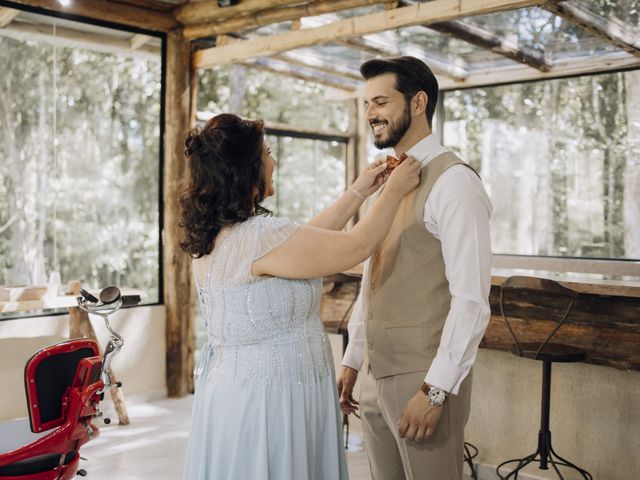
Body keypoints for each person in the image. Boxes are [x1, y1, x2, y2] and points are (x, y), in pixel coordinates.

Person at [179, 113, 421, 479]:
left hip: (239, 392)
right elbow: (358, 245)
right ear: (247, 170)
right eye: (267, 153)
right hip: (271, 401)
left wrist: (360, 190)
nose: (273, 162)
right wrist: (394, 190)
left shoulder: (223, 236)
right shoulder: (259, 237)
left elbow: (306, 240)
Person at [337, 56, 493, 480]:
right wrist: (353, 358)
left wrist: (436, 389)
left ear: (419, 101)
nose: (370, 114)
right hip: (373, 374)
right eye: (367, 103)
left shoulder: (455, 182)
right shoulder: (384, 181)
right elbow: (375, 275)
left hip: (424, 378)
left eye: (381, 101)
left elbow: (472, 301)